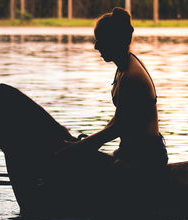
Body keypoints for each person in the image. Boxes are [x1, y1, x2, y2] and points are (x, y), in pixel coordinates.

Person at [57, 7, 168, 171]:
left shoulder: (132, 76)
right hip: (132, 151)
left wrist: (80, 147)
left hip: (145, 156)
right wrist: (87, 143)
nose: (96, 47)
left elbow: (118, 128)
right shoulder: (124, 68)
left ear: (113, 40)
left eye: (100, 40)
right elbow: (119, 119)